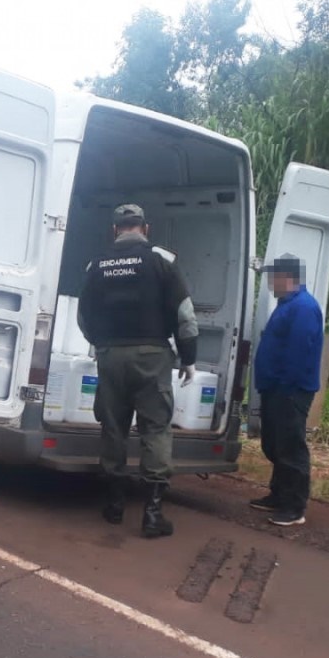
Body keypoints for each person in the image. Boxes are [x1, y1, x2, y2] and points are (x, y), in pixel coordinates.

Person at [78, 203, 200, 539]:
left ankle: (114, 505)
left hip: (110, 356)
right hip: (152, 356)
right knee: (155, 429)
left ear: (115, 230)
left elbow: (83, 317)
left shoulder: (96, 265)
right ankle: (152, 514)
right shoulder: (163, 261)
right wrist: (188, 358)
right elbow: (186, 318)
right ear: (144, 228)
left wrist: (102, 344)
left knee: (114, 428)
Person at [250, 254, 323, 527]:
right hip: (275, 388)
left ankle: (294, 507)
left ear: (287, 277)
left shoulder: (303, 307)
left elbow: (299, 352)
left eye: (273, 277)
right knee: (275, 444)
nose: (270, 283)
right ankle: (278, 494)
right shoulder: (286, 304)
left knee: (291, 447)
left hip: (290, 390)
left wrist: (285, 386)